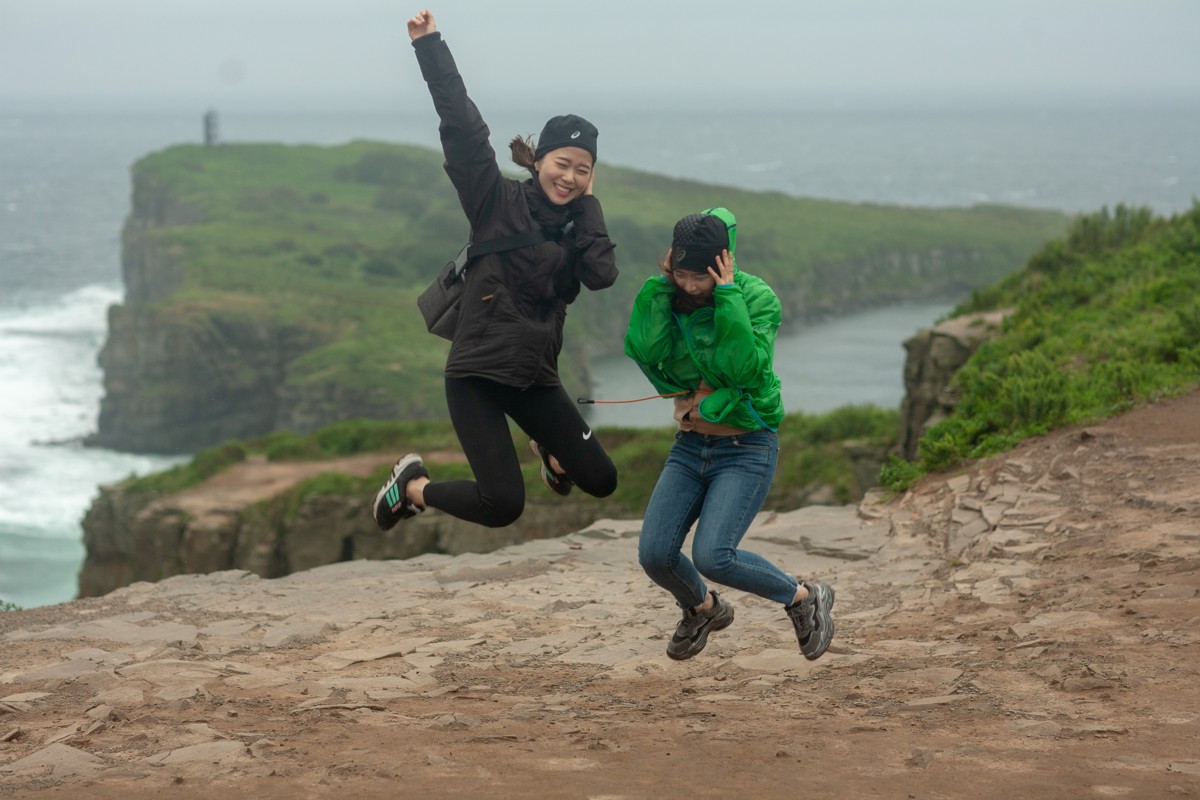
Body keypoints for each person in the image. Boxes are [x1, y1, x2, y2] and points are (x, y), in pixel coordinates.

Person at [372, 9, 619, 531]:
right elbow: (462, 126)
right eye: (561, 163)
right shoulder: (495, 200)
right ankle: (411, 487)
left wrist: (589, 208)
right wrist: (429, 47)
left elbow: (602, 274)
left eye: (583, 169)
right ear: (540, 160)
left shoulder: (578, 228)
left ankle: (550, 451)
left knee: (601, 479)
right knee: (502, 505)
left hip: (535, 377)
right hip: (477, 376)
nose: (569, 177)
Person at [624, 208, 835, 661]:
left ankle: (803, 598)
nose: (691, 286)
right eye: (681, 274)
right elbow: (645, 350)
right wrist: (661, 289)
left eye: (700, 276)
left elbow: (747, 372)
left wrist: (727, 294)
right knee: (655, 554)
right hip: (691, 447)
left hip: (746, 447)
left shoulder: (757, 298)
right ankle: (703, 608)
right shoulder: (672, 294)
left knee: (714, 556)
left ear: (723, 263)